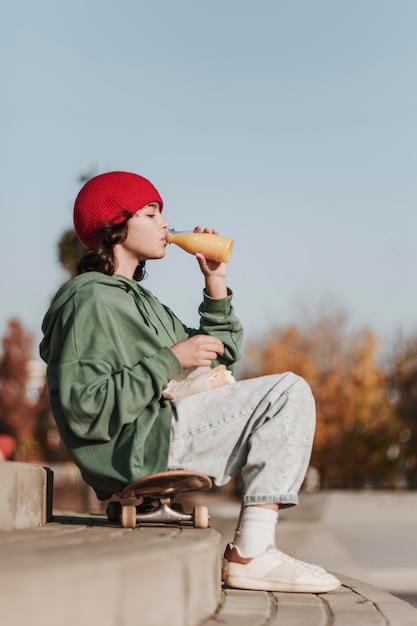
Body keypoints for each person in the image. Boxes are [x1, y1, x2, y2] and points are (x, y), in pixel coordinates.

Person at [40, 171, 340, 593]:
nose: (165, 223)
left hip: (155, 436)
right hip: (136, 448)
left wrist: (215, 285)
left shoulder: (140, 301)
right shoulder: (89, 299)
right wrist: (169, 360)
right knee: (287, 392)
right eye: (151, 213)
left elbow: (218, 356)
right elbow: (82, 408)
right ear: (116, 224)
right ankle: (252, 554)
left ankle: (254, 550)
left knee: (280, 395)